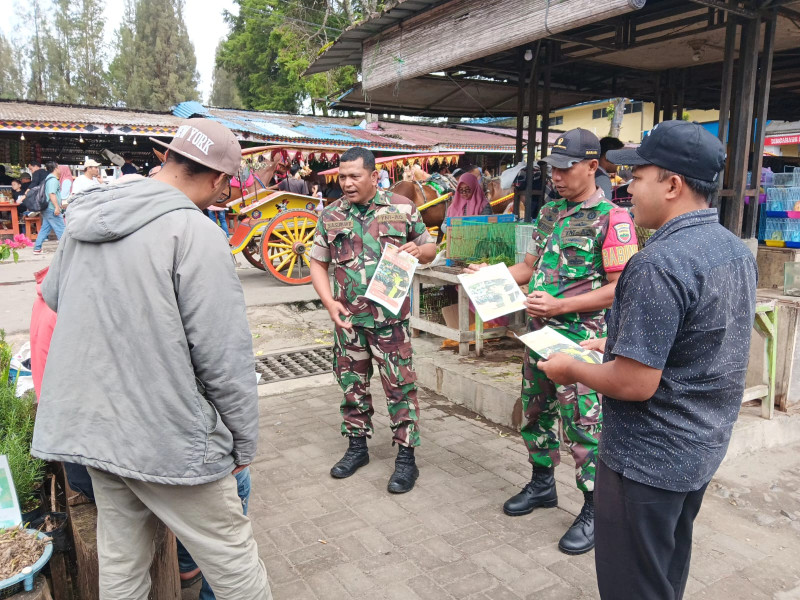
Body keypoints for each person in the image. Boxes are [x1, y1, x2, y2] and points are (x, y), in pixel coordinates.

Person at [31, 118, 271, 599]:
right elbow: (224, 359)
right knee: (235, 565)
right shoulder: (194, 232)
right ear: (219, 180)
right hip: (166, 433)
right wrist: (242, 446)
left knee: (122, 564)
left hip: (96, 429)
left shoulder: (85, 216)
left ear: (168, 158)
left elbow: (54, 296)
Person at [538, 120, 757, 599]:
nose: (626, 187)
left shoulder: (658, 261)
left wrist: (570, 367)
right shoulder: (733, 249)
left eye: (637, 177)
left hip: (647, 459)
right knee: (663, 573)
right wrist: (611, 346)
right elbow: (698, 341)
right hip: (698, 447)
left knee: (633, 584)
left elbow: (636, 384)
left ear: (673, 185)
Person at [464, 128, 639, 555]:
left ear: (592, 166)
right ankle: (542, 484)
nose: (556, 176)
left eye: (565, 168)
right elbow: (529, 267)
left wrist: (560, 306)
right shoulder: (550, 213)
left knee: (584, 426)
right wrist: (490, 277)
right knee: (536, 413)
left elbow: (622, 286)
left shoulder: (613, 219)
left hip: (584, 342)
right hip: (539, 338)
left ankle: (596, 509)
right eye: (551, 168)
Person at [309, 146, 436, 494]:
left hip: (391, 323)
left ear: (372, 174)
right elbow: (318, 262)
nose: (347, 183)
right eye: (342, 176)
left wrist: (418, 251)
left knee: (400, 388)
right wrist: (329, 304)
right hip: (349, 321)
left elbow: (429, 248)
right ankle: (357, 448)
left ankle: (406, 459)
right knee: (352, 386)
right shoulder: (331, 214)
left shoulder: (401, 208)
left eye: (354, 176)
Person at [32, 162, 66, 255]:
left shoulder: (49, 178)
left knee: (45, 228)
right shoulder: (53, 180)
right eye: (59, 167)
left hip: (47, 208)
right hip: (51, 208)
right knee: (61, 229)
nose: (60, 169)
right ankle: (66, 249)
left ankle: (37, 248)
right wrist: (56, 207)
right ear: (55, 168)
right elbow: (52, 194)